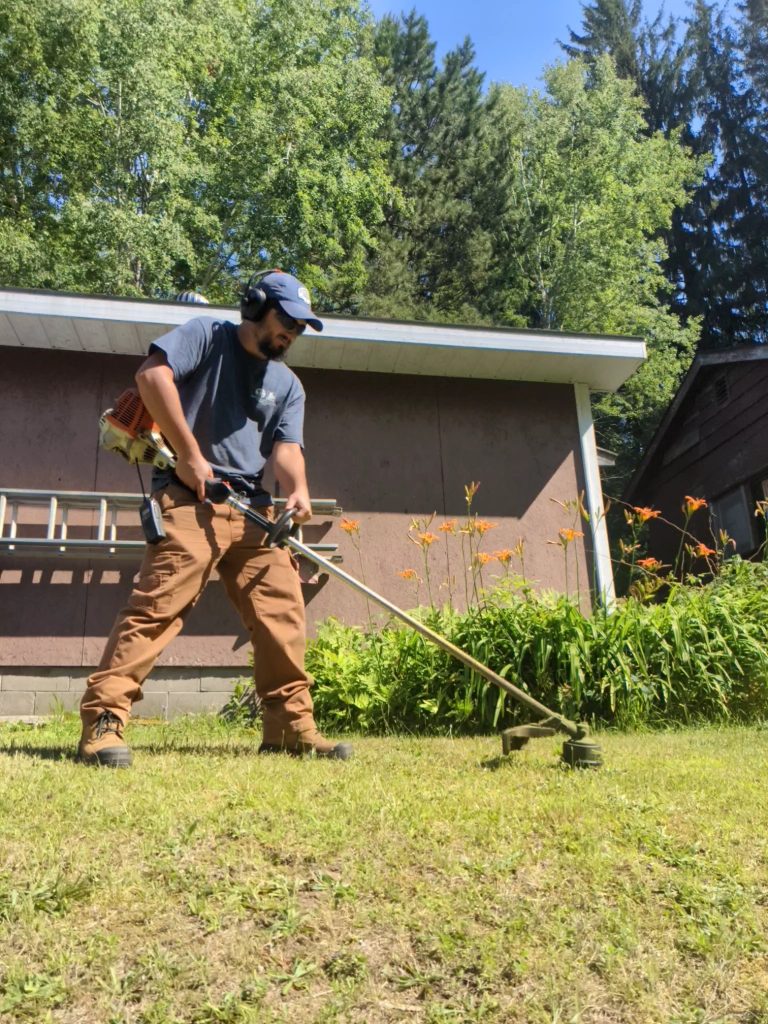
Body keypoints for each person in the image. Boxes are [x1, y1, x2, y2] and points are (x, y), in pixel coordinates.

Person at [78, 270, 352, 767]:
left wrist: (299, 491)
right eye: (286, 319)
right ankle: (104, 721)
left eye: (301, 326)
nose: (293, 332)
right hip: (188, 500)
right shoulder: (206, 336)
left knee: (283, 617)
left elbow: (287, 449)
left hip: (253, 512)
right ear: (255, 305)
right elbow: (151, 377)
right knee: (156, 609)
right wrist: (189, 454)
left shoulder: (288, 385)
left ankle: (290, 726)